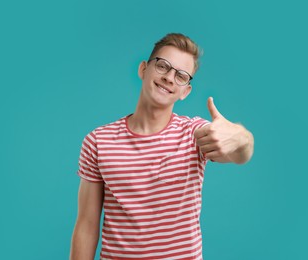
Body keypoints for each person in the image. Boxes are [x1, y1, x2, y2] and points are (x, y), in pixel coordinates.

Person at [70, 33, 254, 260]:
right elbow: (87, 225)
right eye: (163, 66)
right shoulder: (98, 141)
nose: (169, 77)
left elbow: (243, 151)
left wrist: (238, 138)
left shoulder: (194, 134)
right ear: (143, 69)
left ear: (185, 91)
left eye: (181, 76)